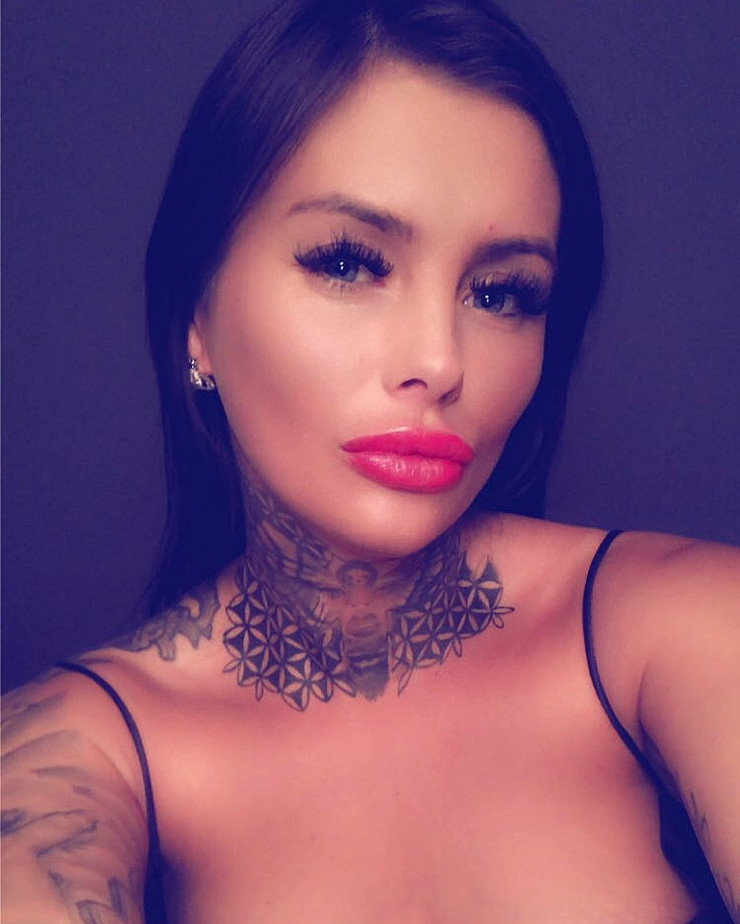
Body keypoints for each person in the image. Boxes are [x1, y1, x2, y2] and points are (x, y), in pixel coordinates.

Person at [2, 0, 738, 921]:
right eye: (350, 263)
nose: (440, 359)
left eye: (502, 293)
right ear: (196, 315)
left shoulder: (677, 625)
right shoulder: (77, 747)